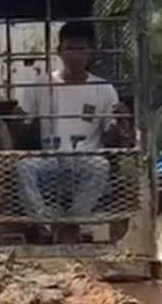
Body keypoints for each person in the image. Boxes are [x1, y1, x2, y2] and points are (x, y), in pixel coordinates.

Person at [13, 21, 131, 242]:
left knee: (101, 166)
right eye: (70, 48)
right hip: (50, 162)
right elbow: (21, 124)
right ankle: (45, 224)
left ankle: (72, 223)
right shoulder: (40, 86)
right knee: (24, 167)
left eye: (81, 49)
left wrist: (120, 124)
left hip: (85, 163)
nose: (75, 55)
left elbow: (110, 134)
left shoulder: (104, 89)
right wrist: (18, 119)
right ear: (59, 51)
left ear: (90, 53)